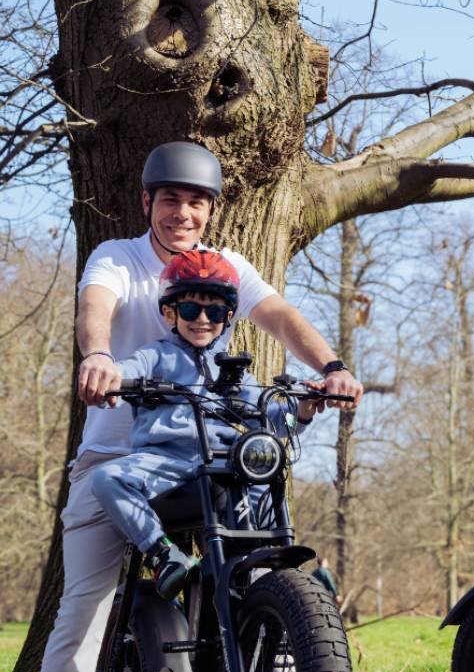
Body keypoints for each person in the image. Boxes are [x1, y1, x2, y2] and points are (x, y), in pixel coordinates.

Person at [13, 141, 362, 672]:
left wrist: (333, 367)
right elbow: (96, 307)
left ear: (210, 210)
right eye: (169, 199)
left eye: (196, 201)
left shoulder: (227, 269)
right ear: (148, 202)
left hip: (214, 463)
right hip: (118, 456)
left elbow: (282, 317)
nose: (182, 212)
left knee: (269, 575)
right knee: (83, 606)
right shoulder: (117, 256)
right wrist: (100, 358)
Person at [90, 250, 319, 599]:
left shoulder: (232, 369)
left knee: (268, 475)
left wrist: (300, 410)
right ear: (170, 312)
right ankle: (164, 553)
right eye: (189, 309)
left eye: (213, 311)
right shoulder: (156, 356)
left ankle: (283, 589)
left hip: (227, 466)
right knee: (107, 478)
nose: (202, 318)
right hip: (167, 464)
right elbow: (129, 370)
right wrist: (112, 376)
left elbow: (271, 420)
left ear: (227, 317)